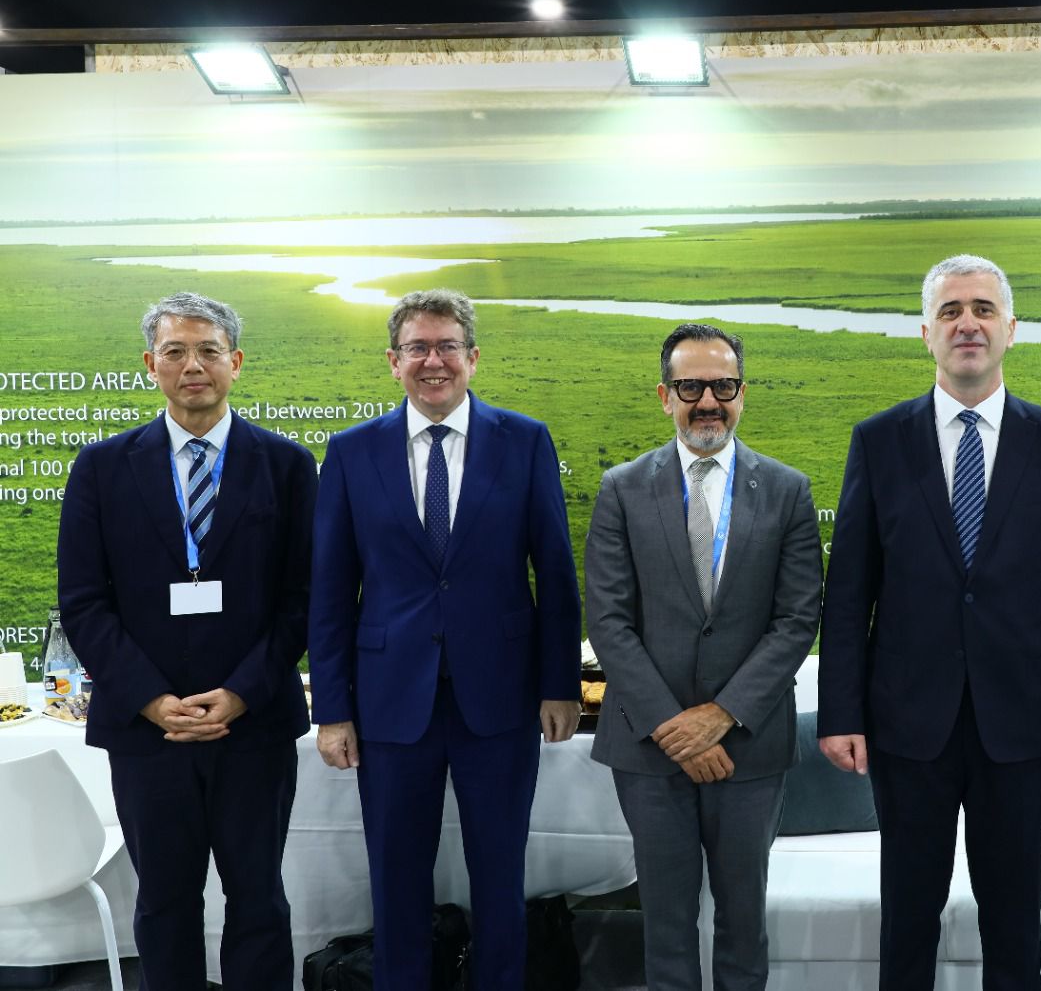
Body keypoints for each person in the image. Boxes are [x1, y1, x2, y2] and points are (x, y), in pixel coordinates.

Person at [817, 254, 1041, 990]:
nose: (968, 324)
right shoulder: (879, 440)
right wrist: (840, 713)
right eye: (950, 311)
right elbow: (849, 592)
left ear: (1011, 329)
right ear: (926, 333)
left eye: (983, 309)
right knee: (909, 914)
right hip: (907, 725)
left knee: (1012, 918)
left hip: (1022, 728)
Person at [308, 289, 582, 990]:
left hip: (501, 697)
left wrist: (559, 684)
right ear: (393, 361)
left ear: (473, 357)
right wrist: (331, 709)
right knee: (396, 877)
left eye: (447, 347)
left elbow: (554, 573)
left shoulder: (525, 441)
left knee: (500, 874)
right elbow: (331, 589)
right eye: (418, 348)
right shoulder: (351, 452)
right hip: (390, 702)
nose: (434, 361)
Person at [57, 292, 316, 990]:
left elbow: (304, 598)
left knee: (258, 898)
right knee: (165, 902)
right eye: (175, 352)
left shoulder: (287, 465)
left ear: (236, 361)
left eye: (208, 351)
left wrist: (241, 693)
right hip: (149, 733)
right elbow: (83, 602)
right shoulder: (102, 468)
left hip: (252, 726)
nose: (192, 365)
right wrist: (149, 699)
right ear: (151, 365)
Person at [585, 322, 823, 991]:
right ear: (665, 395)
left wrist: (719, 717)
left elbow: (797, 619)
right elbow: (608, 620)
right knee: (666, 925)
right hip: (649, 748)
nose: (708, 401)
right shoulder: (622, 488)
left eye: (723, 385)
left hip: (748, 745)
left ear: (742, 393)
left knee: (744, 924)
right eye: (691, 387)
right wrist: (675, 729)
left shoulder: (788, 490)